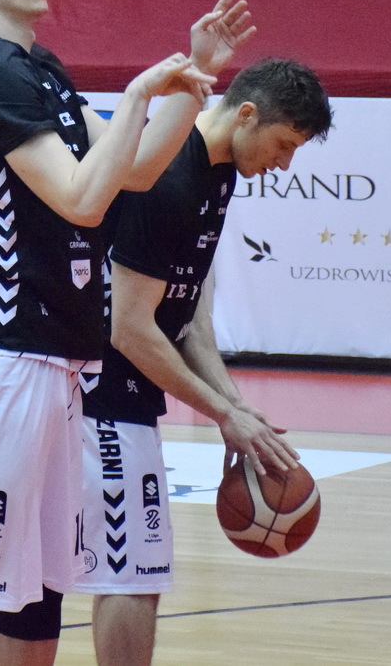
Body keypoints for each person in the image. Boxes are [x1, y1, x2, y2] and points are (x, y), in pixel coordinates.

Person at [0, 0, 252, 666]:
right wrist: (135, 95)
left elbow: (137, 170)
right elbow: (80, 198)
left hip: (56, 362)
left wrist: (192, 80)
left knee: (40, 592)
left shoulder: (39, 68)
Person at [75, 57, 333, 664]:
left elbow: (187, 319)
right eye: (283, 144)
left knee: (129, 573)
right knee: (131, 573)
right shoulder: (171, 176)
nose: (284, 164)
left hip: (120, 396)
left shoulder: (218, 172)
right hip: (96, 394)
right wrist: (221, 412)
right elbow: (129, 329)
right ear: (246, 115)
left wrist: (239, 411)